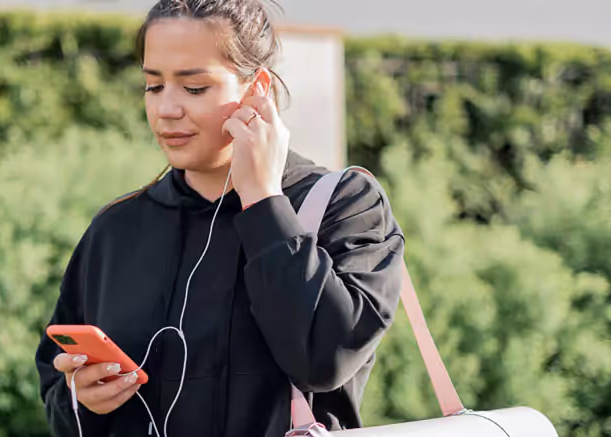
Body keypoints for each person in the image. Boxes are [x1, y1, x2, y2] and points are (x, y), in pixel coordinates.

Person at [33, 0, 405, 435]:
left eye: (194, 89)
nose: (166, 109)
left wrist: (264, 201)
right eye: (153, 87)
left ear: (256, 90)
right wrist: (82, 399)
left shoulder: (345, 205)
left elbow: (327, 359)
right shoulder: (115, 229)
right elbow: (58, 396)